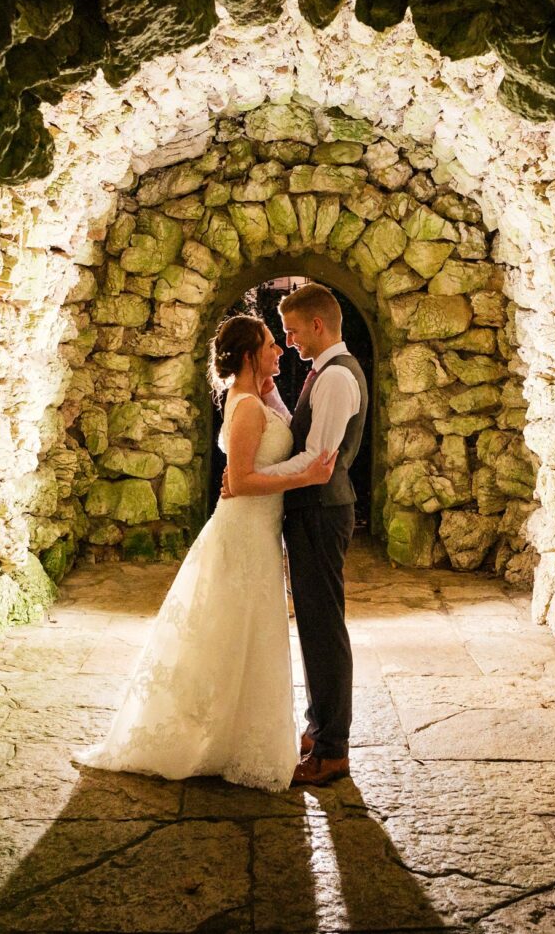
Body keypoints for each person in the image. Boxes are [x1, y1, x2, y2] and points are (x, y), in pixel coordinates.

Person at [71, 315, 336, 792]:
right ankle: (213, 737)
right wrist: (307, 476)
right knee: (234, 631)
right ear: (252, 355)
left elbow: (257, 455)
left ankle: (231, 734)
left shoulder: (256, 398)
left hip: (256, 530)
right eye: (272, 345)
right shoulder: (248, 407)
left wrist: (270, 384)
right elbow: (241, 481)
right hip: (244, 533)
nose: (280, 351)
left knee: (239, 635)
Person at [226, 283, 368, 788]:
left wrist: (253, 478)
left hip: (322, 513)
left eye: (291, 331)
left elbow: (318, 462)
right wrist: (270, 399)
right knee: (313, 624)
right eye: (278, 335)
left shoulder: (335, 379)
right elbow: (299, 435)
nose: (289, 342)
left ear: (316, 324)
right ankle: (318, 724)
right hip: (310, 512)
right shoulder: (324, 374)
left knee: (325, 630)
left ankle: (333, 749)